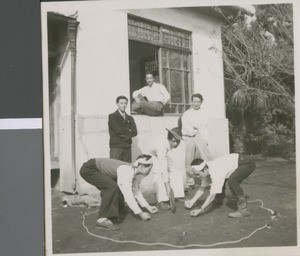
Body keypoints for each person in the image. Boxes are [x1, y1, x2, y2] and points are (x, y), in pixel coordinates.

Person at [79, 155, 158, 230]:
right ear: (141, 167)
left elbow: (136, 191)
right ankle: (101, 220)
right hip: (89, 169)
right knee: (111, 187)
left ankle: (119, 208)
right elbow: (128, 196)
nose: (150, 171)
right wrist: (140, 213)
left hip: (95, 167)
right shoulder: (126, 172)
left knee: (116, 185)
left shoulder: (132, 170)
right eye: (149, 169)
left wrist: (148, 207)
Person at [184, 153, 256, 218]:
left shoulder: (216, 172)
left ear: (205, 169)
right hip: (239, 161)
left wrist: (200, 210)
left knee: (232, 180)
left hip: (247, 163)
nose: (198, 177)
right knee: (219, 181)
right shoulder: (207, 169)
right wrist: (192, 201)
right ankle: (220, 199)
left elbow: (211, 196)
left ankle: (243, 210)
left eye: (197, 174)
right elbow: (202, 188)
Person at [148, 127, 185, 210]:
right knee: (158, 174)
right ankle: (161, 201)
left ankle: (176, 195)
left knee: (175, 169)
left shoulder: (169, 141)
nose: (176, 144)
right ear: (169, 139)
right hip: (152, 155)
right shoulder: (161, 145)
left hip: (161, 154)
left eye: (178, 141)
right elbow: (163, 166)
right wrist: (167, 185)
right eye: (174, 141)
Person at [181, 93, 212, 188]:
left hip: (201, 135)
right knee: (188, 158)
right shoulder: (187, 113)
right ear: (192, 102)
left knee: (205, 157)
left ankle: (209, 178)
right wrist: (192, 130)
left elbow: (202, 125)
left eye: (198, 102)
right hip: (190, 136)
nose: (196, 104)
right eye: (194, 101)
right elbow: (185, 127)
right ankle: (190, 181)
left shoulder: (204, 112)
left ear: (201, 102)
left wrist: (194, 127)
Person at [108, 96, 137, 163]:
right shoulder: (112, 116)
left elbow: (135, 132)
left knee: (127, 168)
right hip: (116, 146)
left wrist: (123, 131)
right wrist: (128, 130)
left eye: (125, 103)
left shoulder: (130, 118)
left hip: (127, 147)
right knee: (114, 167)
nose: (124, 105)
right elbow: (118, 131)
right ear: (117, 104)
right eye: (121, 103)